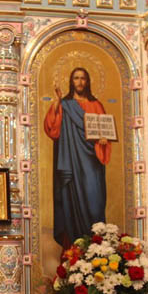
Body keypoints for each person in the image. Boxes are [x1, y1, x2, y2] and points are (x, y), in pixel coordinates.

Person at [44, 67, 111, 248]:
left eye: (83, 78)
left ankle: (97, 246)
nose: (79, 82)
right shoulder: (65, 105)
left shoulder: (96, 105)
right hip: (71, 163)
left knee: (94, 202)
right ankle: (74, 249)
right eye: (76, 78)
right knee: (71, 201)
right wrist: (57, 102)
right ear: (71, 81)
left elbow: (105, 131)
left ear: (87, 81)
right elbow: (52, 129)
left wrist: (104, 140)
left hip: (92, 163)